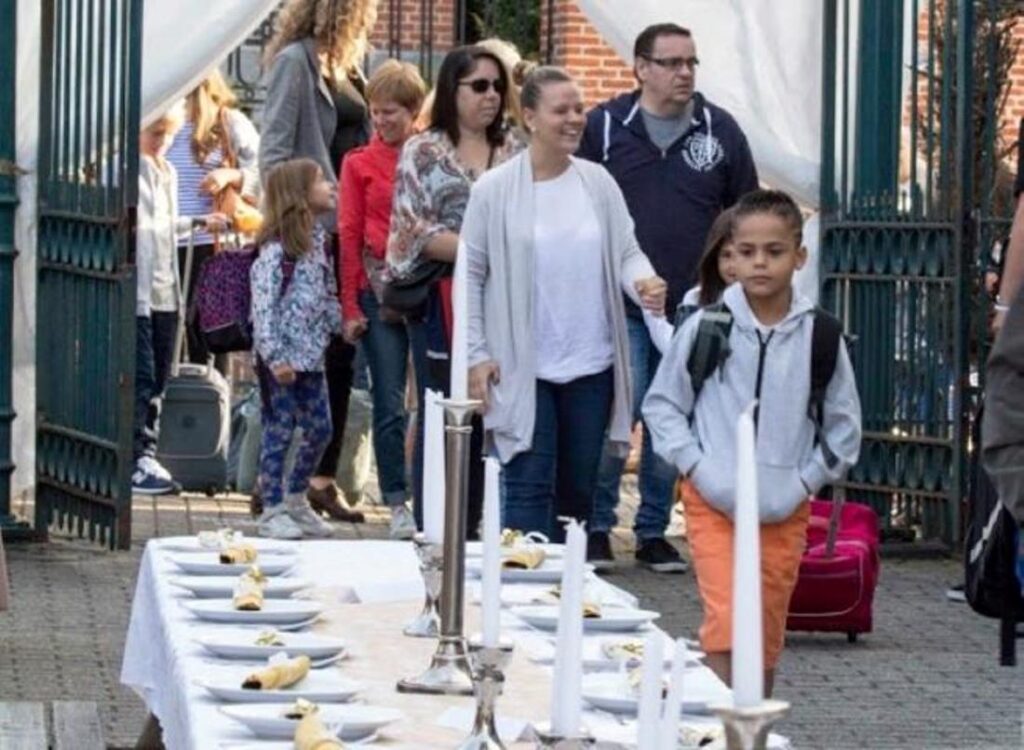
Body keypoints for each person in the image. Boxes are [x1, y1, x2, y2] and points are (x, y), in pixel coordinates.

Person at [643, 189, 861, 696]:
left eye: (774, 251)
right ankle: (723, 728)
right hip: (713, 499)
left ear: (799, 256)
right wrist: (698, 468)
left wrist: (804, 481)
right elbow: (663, 405)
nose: (760, 263)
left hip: (784, 506)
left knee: (763, 631)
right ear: (730, 257)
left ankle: (752, 724)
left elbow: (844, 426)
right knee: (726, 619)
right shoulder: (706, 326)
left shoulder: (820, 335)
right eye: (746, 252)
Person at [578, 22, 759, 573]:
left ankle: (655, 529)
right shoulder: (605, 128)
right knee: (618, 415)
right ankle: (597, 526)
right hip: (621, 303)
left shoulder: (719, 130)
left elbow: (745, 211)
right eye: (672, 62)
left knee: (674, 421)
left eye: (690, 63)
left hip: (696, 307)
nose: (684, 73)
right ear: (641, 67)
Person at [464, 66, 666, 540]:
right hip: (522, 364)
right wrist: (476, 354)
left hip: (591, 364)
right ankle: (520, 592)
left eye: (580, 109)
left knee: (579, 491)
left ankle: (568, 597)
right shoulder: (493, 191)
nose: (575, 119)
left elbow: (626, 252)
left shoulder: (598, 183)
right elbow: (471, 276)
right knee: (528, 487)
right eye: (562, 110)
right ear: (530, 117)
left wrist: (644, 282)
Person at [387, 44, 525, 538]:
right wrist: (478, 249)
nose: (492, 96)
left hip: (505, 298)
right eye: (480, 86)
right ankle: (438, 526)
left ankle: (482, 523)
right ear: (453, 90)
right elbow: (412, 229)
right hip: (441, 298)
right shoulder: (423, 150)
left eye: (498, 86)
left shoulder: (515, 149)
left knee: (493, 406)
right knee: (444, 407)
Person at [260, 0, 379, 524]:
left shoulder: (352, 67)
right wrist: (294, 222)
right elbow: (274, 152)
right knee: (301, 367)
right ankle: (278, 490)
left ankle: (318, 482)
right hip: (314, 231)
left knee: (339, 360)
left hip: (348, 231)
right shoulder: (297, 63)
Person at [339, 60, 427, 539]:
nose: (381, 121)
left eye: (391, 112)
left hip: (428, 287)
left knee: (434, 398)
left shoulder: (430, 156)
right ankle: (397, 500)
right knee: (389, 399)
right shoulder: (358, 163)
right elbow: (348, 232)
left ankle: (435, 492)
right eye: (375, 112)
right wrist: (349, 305)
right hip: (379, 291)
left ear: (414, 112)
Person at [133, 109, 228, 495]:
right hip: (141, 283)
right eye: (156, 134)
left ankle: (147, 449)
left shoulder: (167, 172)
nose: (163, 143)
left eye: (168, 135)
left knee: (158, 373)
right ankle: (137, 451)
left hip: (164, 285)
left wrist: (197, 224)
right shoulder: (131, 170)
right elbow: (141, 225)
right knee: (140, 371)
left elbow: (163, 224)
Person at [250, 159, 342, 539]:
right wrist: (274, 356)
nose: (331, 185)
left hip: (311, 357)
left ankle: (295, 496)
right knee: (280, 430)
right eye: (321, 180)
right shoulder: (277, 251)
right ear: (300, 195)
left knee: (321, 428)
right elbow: (263, 305)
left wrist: (341, 322)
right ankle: (271, 506)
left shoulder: (320, 242)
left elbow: (325, 291)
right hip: (282, 360)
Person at [165, 71, 261, 366]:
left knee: (207, 329)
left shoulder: (228, 122)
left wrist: (231, 175)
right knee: (169, 329)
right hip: (166, 239)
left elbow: (264, 173)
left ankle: (209, 399)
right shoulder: (162, 121)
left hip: (209, 243)